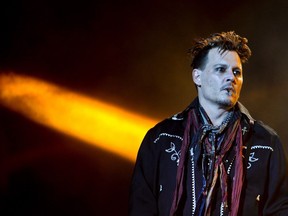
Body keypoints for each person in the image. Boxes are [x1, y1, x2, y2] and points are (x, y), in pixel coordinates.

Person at [129, 31, 288, 216]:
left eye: (237, 72)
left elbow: (279, 209)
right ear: (197, 77)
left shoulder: (265, 142)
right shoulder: (161, 138)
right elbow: (141, 206)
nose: (231, 77)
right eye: (221, 69)